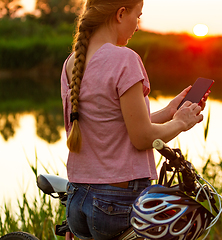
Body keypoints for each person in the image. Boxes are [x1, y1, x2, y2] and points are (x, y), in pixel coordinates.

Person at [60, 0, 209, 239]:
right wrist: (181, 123)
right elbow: (142, 138)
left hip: (78, 200)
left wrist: (170, 111)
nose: (138, 25)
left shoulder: (71, 63)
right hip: (116, 203)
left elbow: (115, 124)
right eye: (137, 16)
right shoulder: (124, 59)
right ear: (120, 14)